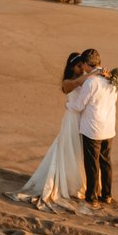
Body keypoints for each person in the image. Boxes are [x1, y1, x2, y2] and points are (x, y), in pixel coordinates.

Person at [14, 50, 93, 208]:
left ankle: (79, 181)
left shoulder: (83, 79)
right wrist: (95, 73)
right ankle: (67, 182)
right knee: (68, 148)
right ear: (72, 67)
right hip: (71, 120)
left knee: (78, 152)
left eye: (82, 66)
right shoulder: (68, 82)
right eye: (79, 66)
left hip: (82, 120)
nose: (82, 69)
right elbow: (78, 83)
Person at [67, 48, 118, 207]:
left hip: (93, 128)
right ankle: (107, 195)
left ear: (86, 64)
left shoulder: (91, 82)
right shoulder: (111, 79)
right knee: (106, 161)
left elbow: (79, 106)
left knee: (92, 164)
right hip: (109, 127)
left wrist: (68, 104)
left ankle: (92, 197)